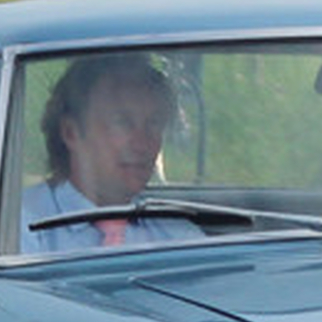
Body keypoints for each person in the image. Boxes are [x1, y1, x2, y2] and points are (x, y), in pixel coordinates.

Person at [18, 55, 200, 253]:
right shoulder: (18, 228)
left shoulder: (177, 236)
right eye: (122, 123)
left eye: (153, 124)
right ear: (71, 132)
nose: (141, 143)